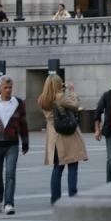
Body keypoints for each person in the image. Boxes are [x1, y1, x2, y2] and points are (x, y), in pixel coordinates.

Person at [0, 75, 28, 213]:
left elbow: (23, 124)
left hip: (12, 144)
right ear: (0, 88)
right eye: (5, 88)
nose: (8, 90)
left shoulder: (18, 103)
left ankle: (9, 203)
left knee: (10, 174)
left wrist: (25, 143)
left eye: (10, 87)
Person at [38, 75, 86, 203]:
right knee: (72, 165)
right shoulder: (60, 97)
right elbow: (75, 105)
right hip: (67, 135)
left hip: (53, 136)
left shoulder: (42, 99)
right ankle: (73, 196)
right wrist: (72, 91)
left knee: (57, 168)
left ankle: (55, 198)